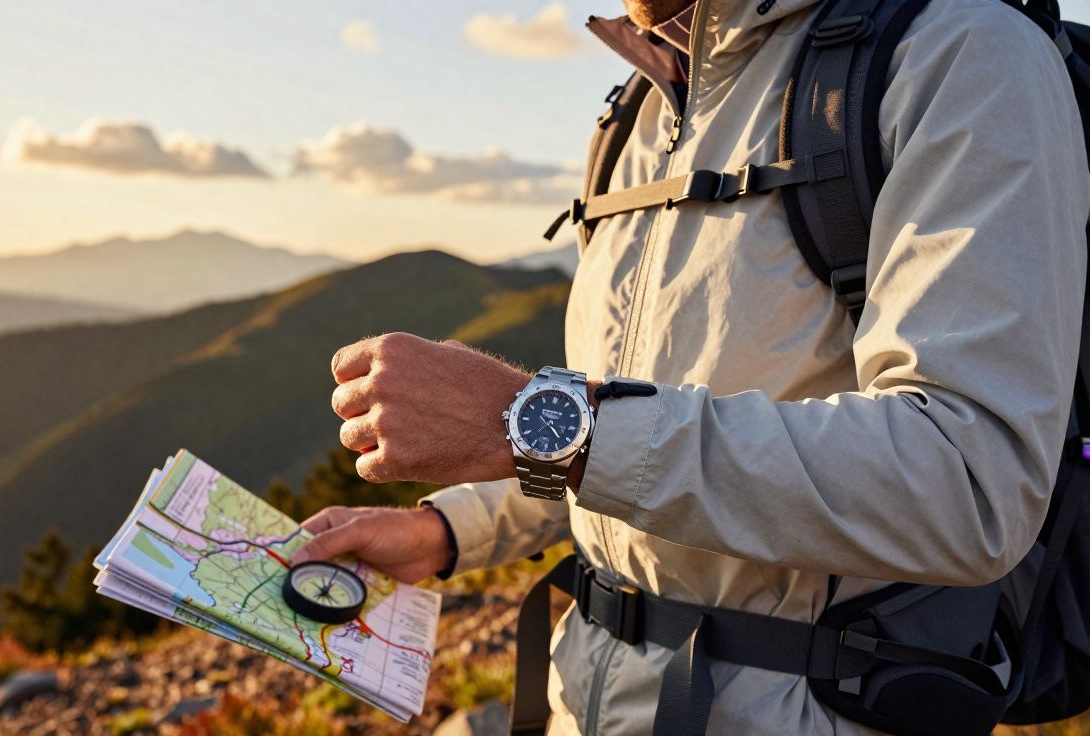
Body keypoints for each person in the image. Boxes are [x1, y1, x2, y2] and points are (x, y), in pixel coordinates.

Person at [287, 0, 1090, 732]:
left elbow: (970, 482)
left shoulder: (961, 52)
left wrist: (542, 422)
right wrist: (447, 529)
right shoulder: (635, 113)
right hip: (583, 696)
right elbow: (625, 449)